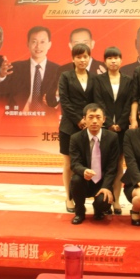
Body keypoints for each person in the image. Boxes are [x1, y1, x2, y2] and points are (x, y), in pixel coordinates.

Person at [93, 46, 133, 215]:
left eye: (116, 58)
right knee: (104, 163)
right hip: (104, 128)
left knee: (118, 164)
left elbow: (129, 103)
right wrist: (109, 123)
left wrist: (121, 123)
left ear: (121, 60)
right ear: (105, 61)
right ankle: (104, 199)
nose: (113, 61)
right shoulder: (98, 80)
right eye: (109, 58)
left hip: (122, 129)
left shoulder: (128, 80)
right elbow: (98, 102)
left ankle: (116, 200)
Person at [58, 43, 95, 213]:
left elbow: (95, 102)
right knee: (68, 164)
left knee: (86, 163)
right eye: (78, 57)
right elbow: (64, 101)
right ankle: (69, 197)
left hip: (89, 127)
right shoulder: (65, 76)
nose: (82, 60)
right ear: (73, 59)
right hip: (69, 127)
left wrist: (88, 120)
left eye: (85, 56)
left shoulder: (94, 78)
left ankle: (84, 195)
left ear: (89, 58)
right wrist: (79, 120)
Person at [69, 103, 120, 224]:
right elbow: (74, 163)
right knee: (76, 179)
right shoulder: (75, 138)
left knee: (104, 202)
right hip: (84, 180)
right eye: (91, 117)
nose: (94, 121)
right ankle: (80, 212)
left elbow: (112, 167)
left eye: (98, 117)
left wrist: (106, 186)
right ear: (84, 119)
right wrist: (83, 171)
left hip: (102, 181)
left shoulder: (112, 138)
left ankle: (98, 209)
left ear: (104, 119)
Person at [0, 26, 59, 113]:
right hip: (18, 116)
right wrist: (2, 75)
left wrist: (57, 100)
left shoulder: (59, 71)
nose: (38, 46)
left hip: (47, 119)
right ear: (28, 44)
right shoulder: (15, 68)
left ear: (49, 45)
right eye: (34, 42)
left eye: (42, 42)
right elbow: (0, 90)